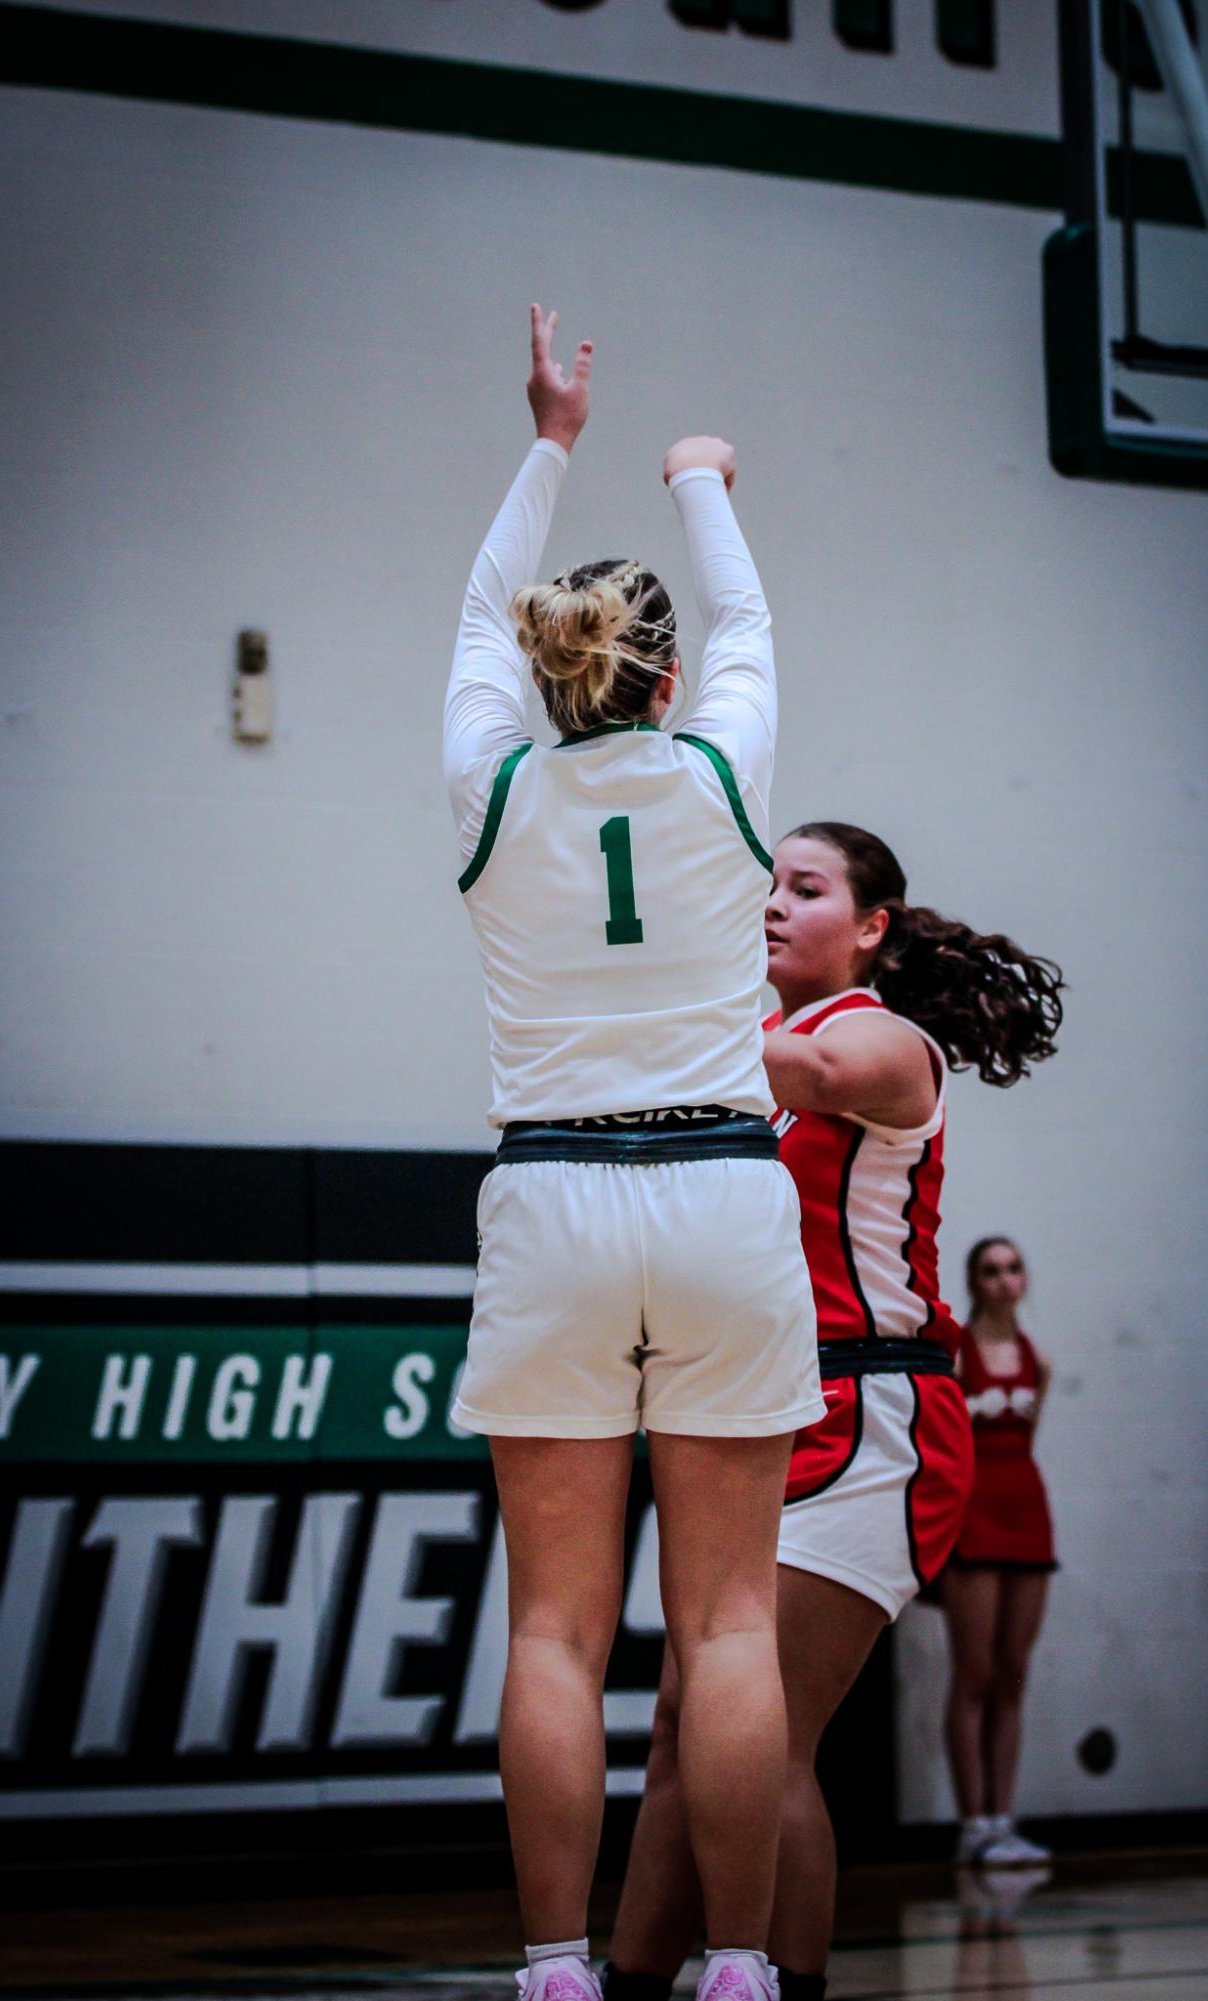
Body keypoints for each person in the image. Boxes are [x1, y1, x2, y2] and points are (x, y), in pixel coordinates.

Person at [443, 307, 824, 2001]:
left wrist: (550, 434)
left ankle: (549, 1970)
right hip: (723, 1195)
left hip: (552, 1195)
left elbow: (471, 612)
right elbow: (740, 610)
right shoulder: (724, 776)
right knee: (729, 1625)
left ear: (539, 672)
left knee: (549, 1632)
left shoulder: (487, 784)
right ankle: (737, 1975)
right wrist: (695, 472)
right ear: (665, 682)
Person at [606, 822, 1064, 2001]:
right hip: (763, 1411)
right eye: (763, 888)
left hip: (874, 1414)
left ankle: (781, 1982)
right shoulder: (753, 1050)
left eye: (801, 890)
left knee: (767, 1738)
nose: (770, 907)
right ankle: (630, 1978)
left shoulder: (875, 1037)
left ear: (870, 927)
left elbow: (796, 1073)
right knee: (680, 1734)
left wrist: (626, 981)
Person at [944, 1235, 1057, 1868]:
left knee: (1013, 1671)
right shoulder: (955, 1356)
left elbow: (1029, 1439)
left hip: (1027, 1508)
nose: (1004, 1280)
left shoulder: (1038, 1359)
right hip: (974, 1513)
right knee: (975, 1672)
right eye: (991, 1270)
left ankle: (1004, 1820)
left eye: (1014, 1267)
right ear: (974, 1281)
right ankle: (973, 1823)